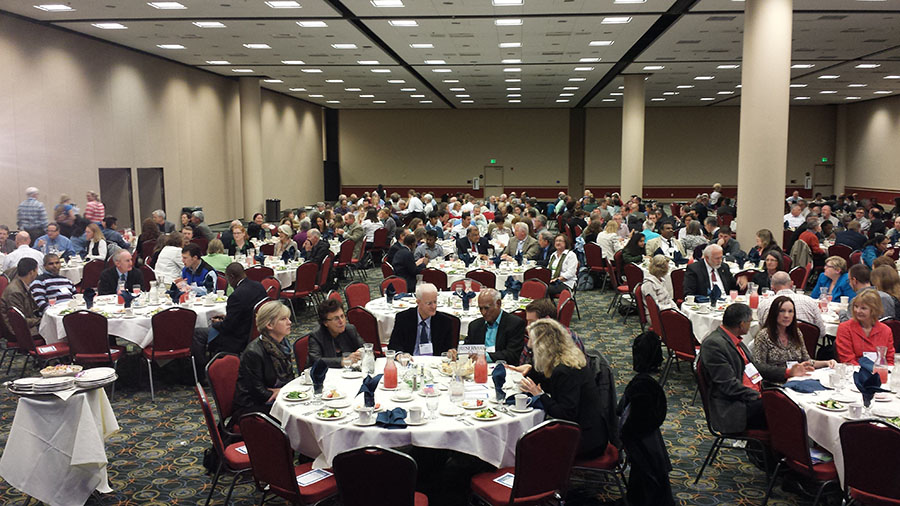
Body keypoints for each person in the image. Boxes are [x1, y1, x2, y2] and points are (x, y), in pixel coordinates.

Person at [699, 304, 813, 433]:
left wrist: (788, 372)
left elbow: (755, 368)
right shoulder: (714, 344)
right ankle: (778, 450)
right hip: (735, 406)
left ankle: (777, 449)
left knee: (794, 400)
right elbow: (728, 386)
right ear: (742, 324)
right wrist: (760, 396)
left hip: (752, 394)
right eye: (749, 322)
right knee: (787, 410)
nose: (750, 324)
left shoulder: (734, 340)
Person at [512, 318, 608, 458]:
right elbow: (551, 382)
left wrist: (539, 394)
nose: (530, 347)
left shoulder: (565, 371)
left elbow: (565, 414)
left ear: (542, 346)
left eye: (532, 344)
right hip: (593, 431)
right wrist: (530, 370)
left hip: (584, 440)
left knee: (527, 444)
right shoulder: (568, 358)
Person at [231, 301, 295, 423]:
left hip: (276, 399)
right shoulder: (253, 352)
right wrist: (284, 391)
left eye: (288, 318)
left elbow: (289, 379)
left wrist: (283, 391)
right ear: (269, 325)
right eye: (283, 319)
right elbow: (259, 393)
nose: (289, 322)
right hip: (253, 408)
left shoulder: (283, 345)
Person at [192, 263, 268, 365]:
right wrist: (227, 318)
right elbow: (245, 312)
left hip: (238, 338)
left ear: (231, 277)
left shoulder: (236, 295)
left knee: (197, 333)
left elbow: (228, 327)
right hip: (256, 331)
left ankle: (203, 372)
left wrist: (216, 323)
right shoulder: (259, 286)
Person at [753, 296, 835, 370]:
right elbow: (760, 368)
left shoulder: (796, 333)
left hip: (797, 378)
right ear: (774, 313)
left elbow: (806, 361)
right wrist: (788, 372)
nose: (786, 315)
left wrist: (826, 363)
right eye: (782, 311)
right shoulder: (763, 336)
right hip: (775, 381)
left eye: (790, 311)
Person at [388, 283, 457, 356]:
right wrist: (400, 355)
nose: (434, 307)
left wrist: (451, 352)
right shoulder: (404, 318)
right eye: (429, 303)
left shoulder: (444, 321)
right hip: (411, 360)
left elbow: (448, 348)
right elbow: (393, 345)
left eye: (435, 302)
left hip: (434, 364)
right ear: (418, 302)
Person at [464, 288, 526, 365]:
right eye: (480, 308)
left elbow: (512, 355)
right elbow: (467, 348)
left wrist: (485, 356)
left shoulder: (514, 324)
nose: (483, 312)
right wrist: (456, 352)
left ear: (498, 304)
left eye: (486, 308)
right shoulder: (475, 325)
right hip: (477, 367)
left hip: (504, 368)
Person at [757, 271, 827, 339]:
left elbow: (762, 333)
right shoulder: (810, 301)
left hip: (774, 347)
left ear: (772, 287)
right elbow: (821, 332)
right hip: (808, 347)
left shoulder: (764, 304)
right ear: (792, 284)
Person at [835, 290, 895, 365]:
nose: (857, 311)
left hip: (880, 372)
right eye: (856, 306)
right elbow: (847, 360)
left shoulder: (886, 330)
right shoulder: (845, 328)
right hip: (854, 372)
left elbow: (889, 360)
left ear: (874, 310)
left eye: (863, 308)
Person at [308, 298, 365, 367]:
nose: (341, 321)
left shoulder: (350, 329)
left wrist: (360, 352)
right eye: (336, 318)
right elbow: (316, 360)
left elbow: (366, 348)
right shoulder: (316, 336)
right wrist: (342, 361)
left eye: (342, 316)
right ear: (325, 322)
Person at [0, 258, 42, 336]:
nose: (37, 273)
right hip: (22, 331)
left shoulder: (22, 285)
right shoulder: (15, 292)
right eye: (37, 270)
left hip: (27, 325)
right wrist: (40, 320)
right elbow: (20, 321)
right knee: (55, 329)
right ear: (32, 272)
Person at [641, 255, 676, 320]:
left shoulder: (661, 280)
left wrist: (676, 309)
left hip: (666, 310)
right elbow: (654, 306)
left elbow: (668, 299)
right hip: (656, 316)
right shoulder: (649, 284)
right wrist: (670, 308)